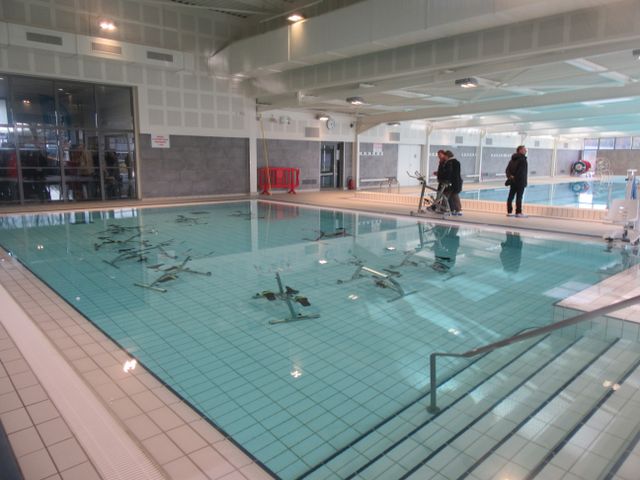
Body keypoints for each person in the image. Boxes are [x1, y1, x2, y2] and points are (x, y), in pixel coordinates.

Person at [505, 145, 528, 217]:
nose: (526, 150)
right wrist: (517, 178)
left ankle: (509, 212)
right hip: (520, 182)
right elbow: (521, 172)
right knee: (519, 197)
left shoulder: (512, 160)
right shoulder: (523, 160)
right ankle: (518, 212)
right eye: (524, 149)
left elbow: (507, 170)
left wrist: (511, 177)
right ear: (520, 150)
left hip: (513, 182)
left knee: (510, 196)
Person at [442, 150, 463, 215]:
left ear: (447, 156)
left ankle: (455, 209)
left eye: (445, 156)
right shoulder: (457, 162)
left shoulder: (449, 163)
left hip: (452, 182)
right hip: (457, 181)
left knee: (452, 195)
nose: (444, 157)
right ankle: (455, 210)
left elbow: (449, 173)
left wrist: (446, 180)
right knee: (452, 195)